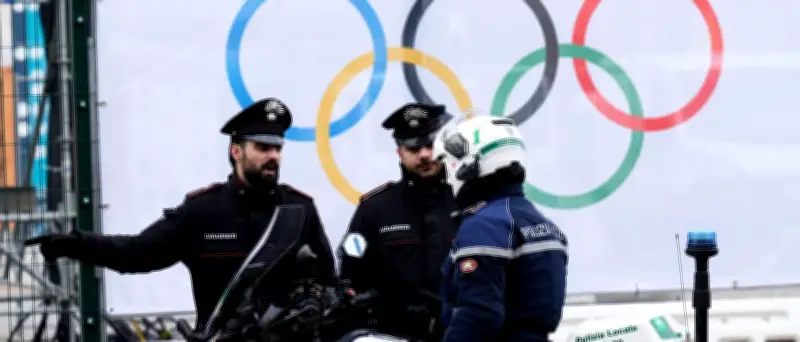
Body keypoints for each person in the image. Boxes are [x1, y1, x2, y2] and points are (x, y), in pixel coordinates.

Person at [25, 98, 337, 333]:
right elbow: (136, 254)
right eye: (262, 147)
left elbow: (329, 284)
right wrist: (74, 244)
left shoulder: (299, 210)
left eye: (277, 148)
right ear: (236, 152)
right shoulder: (202, 211)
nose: (273, 156)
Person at [432, 114, 569, 342]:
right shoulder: (542, 223)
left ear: (468, 164)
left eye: (447, 165)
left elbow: (477, 315)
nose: (447, 178)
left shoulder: (484, 226)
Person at [336, 103, 460, 341]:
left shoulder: (465, 204)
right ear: (399, 153)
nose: (424, 155)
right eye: (413, 148)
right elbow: (350, 280)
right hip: (392, 334)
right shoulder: (375, 209)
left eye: (429, 145)